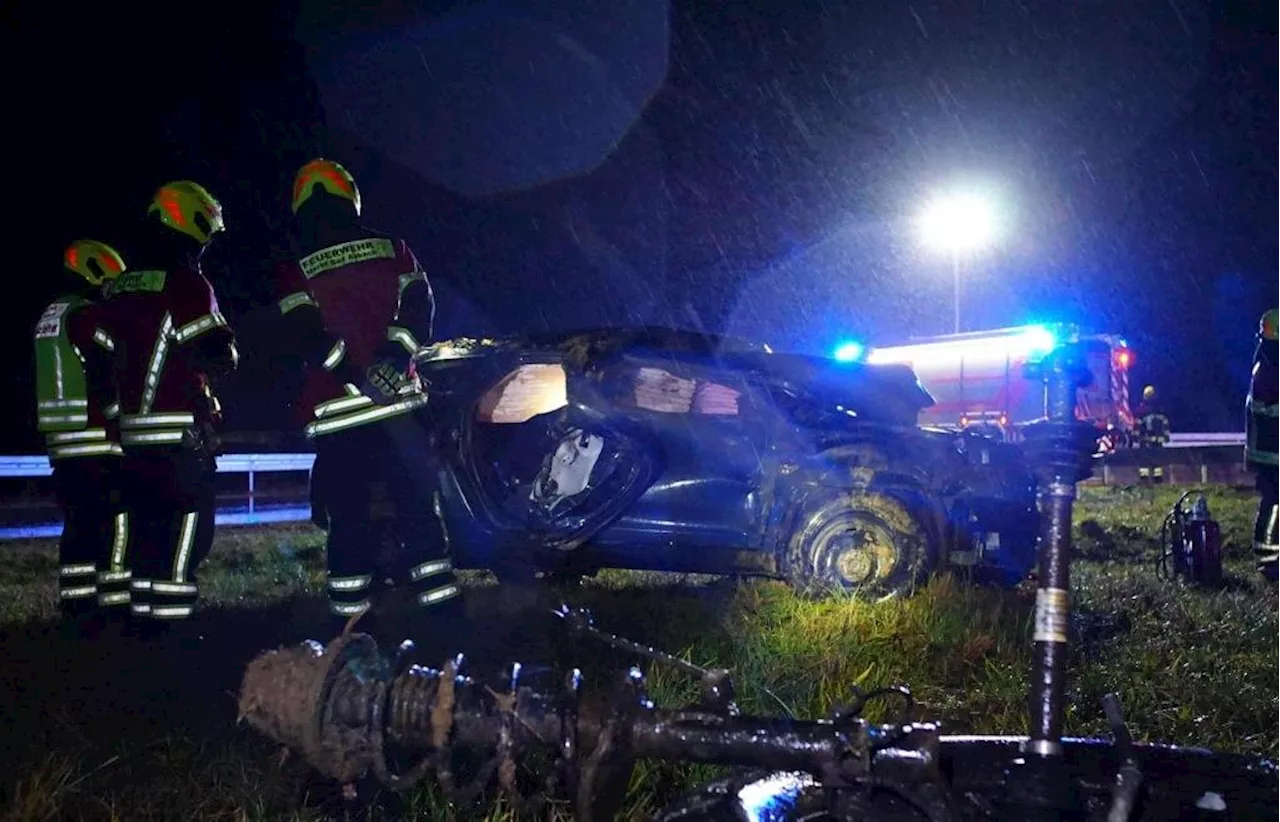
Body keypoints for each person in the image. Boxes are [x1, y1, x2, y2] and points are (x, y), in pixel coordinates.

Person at [273, 157, 461, 629]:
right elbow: (420, 308)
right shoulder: (392, 248)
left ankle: (349, 627)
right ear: (349, 197)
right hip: (399, 409)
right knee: (419, 512)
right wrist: (390, 363)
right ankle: (443, 615)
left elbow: (303, 336)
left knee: (349, 523)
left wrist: (356, 372)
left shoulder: (293, 270)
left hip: (338, 419)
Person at [100, 181, 238, 634]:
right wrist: (228, 351)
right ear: (192, 225)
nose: (205, 248)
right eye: (207, 238)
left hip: (131, 441)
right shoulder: (186, 282)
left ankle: (141, 630)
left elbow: (100, 360)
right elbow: (213, 351)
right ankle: (174, 637)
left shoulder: (118, 287)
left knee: (145, 542)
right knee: (185, 542)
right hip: (179, 437)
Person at [34, 239, 132, 635]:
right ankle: (114, 607)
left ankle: (76, 606)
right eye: (109, 284)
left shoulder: (50, 316)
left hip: (62, 442)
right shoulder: (88, 316)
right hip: (95, 439)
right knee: (115, 524)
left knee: (77, 526)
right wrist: (119, 417)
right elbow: (109, 367)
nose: (110, 293)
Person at [1247, 308, 1280, 581]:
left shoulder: (1268, 363)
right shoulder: (1267, 370)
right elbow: (1267, 410)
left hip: (1271, 452)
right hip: (1270, 454)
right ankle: (1268, 559)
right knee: (1273, 502)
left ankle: (1272, 557)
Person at [1134, 384, 1170, 485]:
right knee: (1156, 460)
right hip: (1157, 441)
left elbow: (1139, 425)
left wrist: (1137, 437)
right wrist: (1166, 437)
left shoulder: (1142, 410)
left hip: (1146, 440)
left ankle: (1145, 479)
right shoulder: (1160, 409)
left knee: (1146, 461)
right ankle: (1157, 479)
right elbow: (1165, 424)